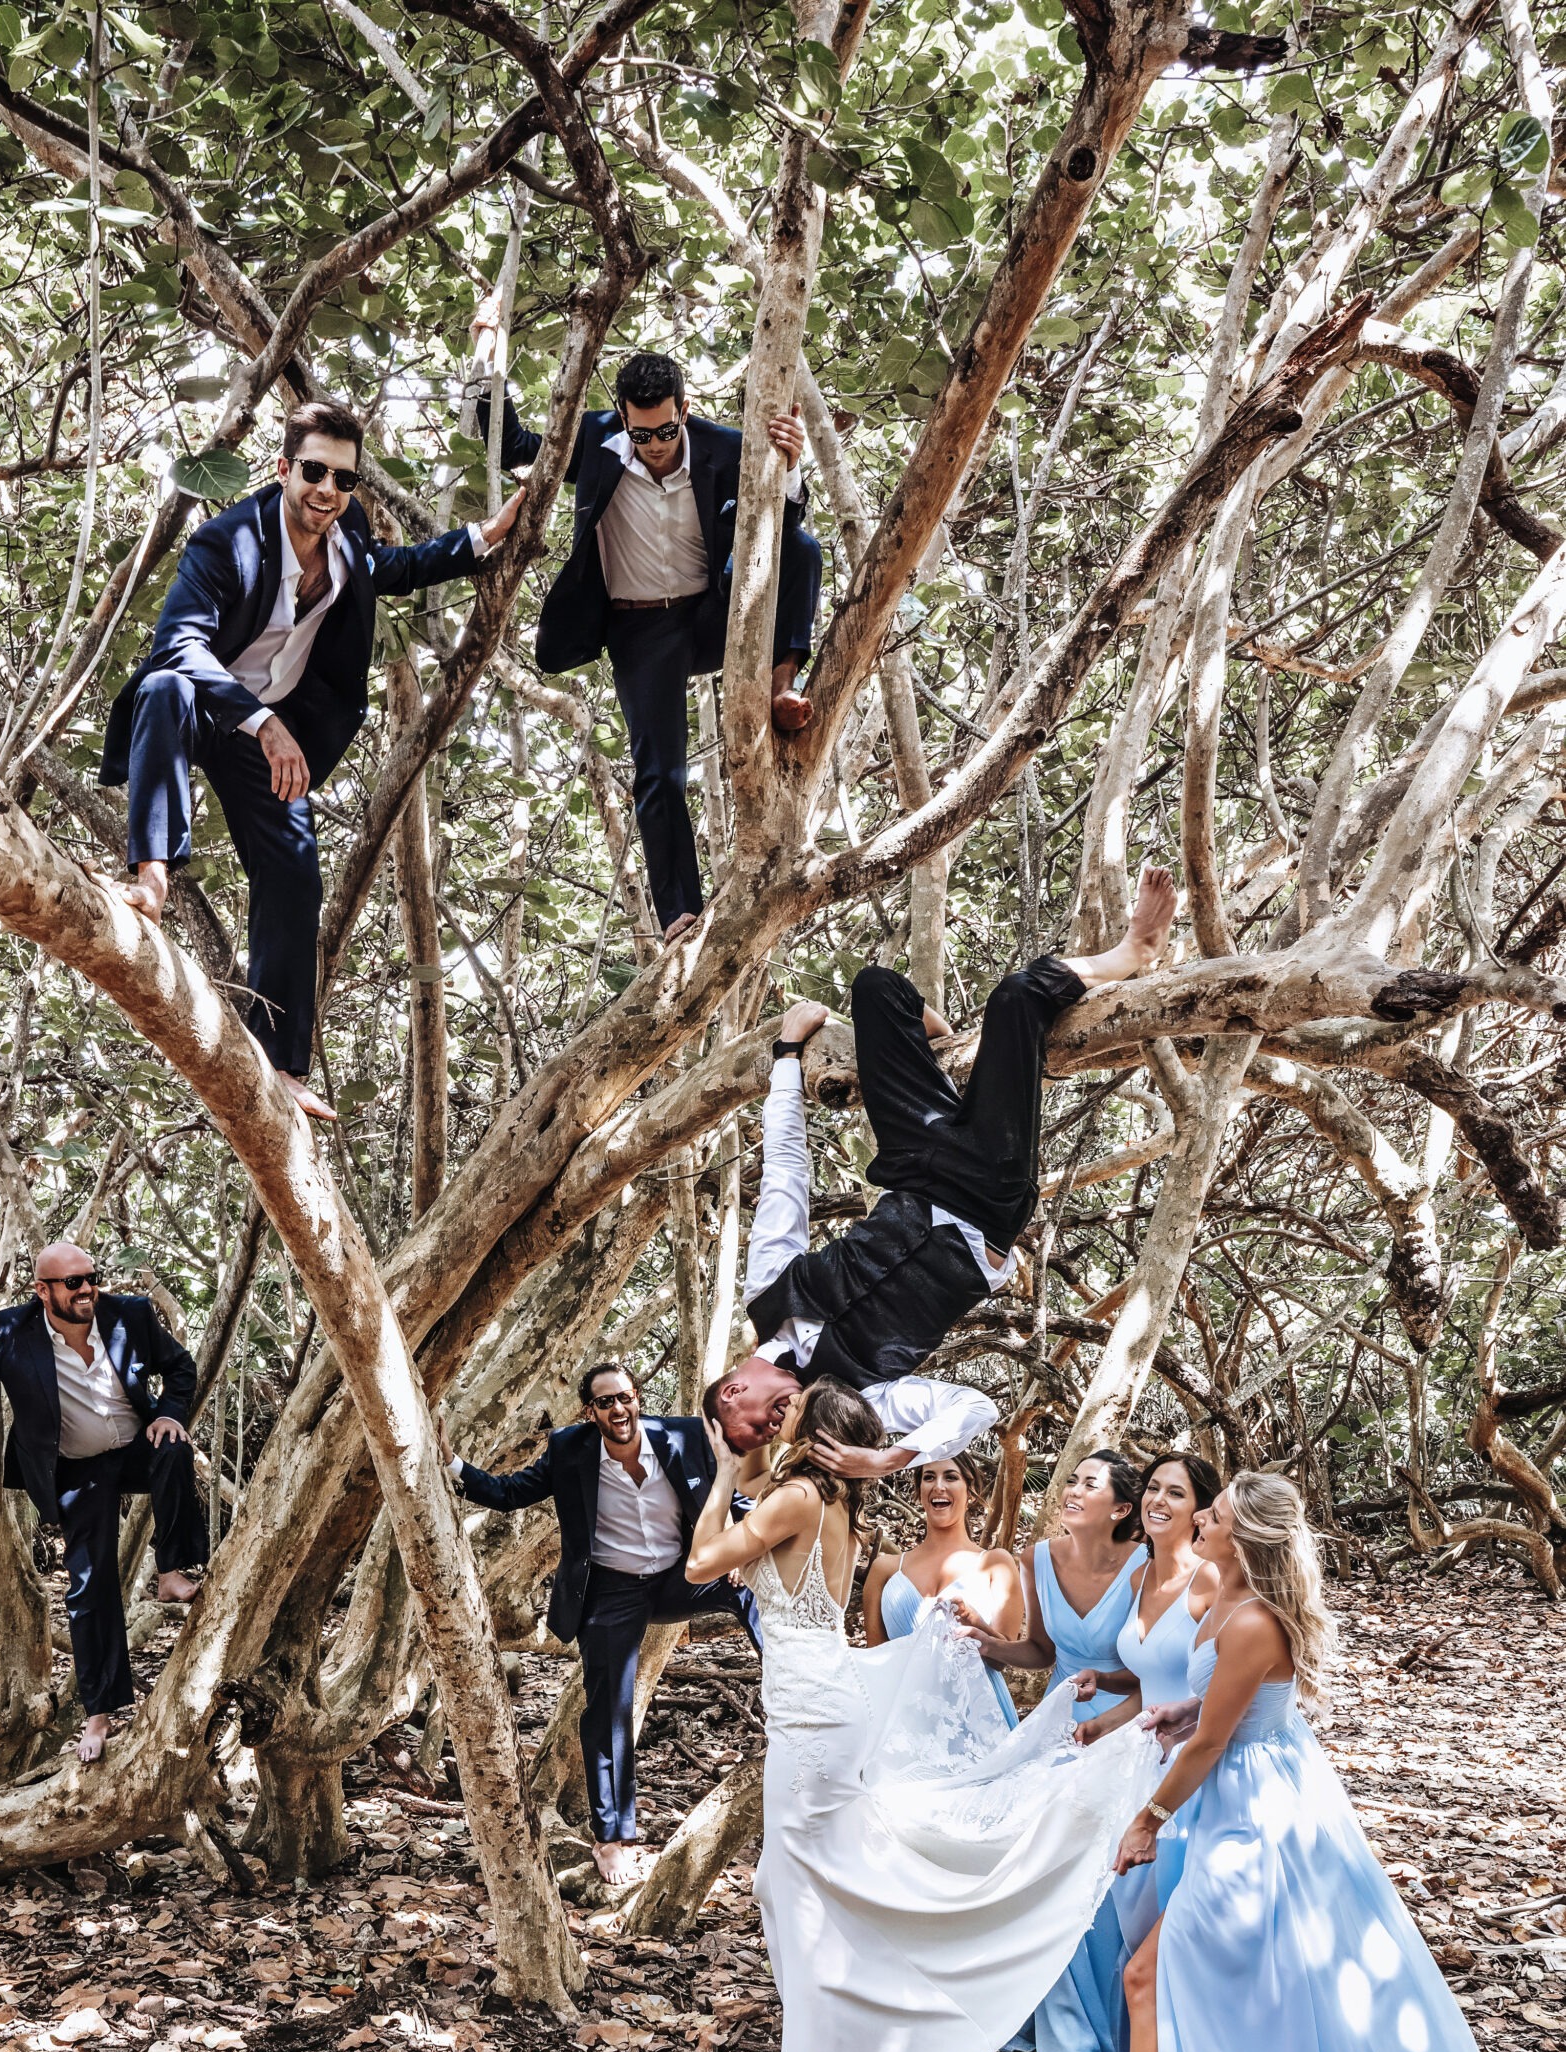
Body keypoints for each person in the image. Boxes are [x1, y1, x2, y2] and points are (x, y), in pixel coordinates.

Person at [688, 1378, 1158, 2052]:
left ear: (822, 1433)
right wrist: (746, 1461)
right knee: (789, 1884)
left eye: (791, 1411)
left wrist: (714, 1471)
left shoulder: (802, 1496)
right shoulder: (814, 1497)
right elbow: (754, 1522)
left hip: (813, 1721)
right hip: (814, 1708)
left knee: (804, 1895)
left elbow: (703, 1563)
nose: (779, 1412)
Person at [1104, 1472, 1528, 2052]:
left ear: (1245, 1537)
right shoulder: (1224, 1602)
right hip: (1233, 1797)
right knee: (1219, 1981)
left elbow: (1212, 1744)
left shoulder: (1253, 1620)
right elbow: (1223, 1712)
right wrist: (1184, 1707)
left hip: (1254, 1821)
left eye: (1216, 1513)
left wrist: (1146, 1820)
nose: (1201, 1516)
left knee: (1154, 1974)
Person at [100, 400, 524, 1121]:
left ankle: (280, 1066)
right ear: (282, 468)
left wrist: (482, 538)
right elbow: (177, 644)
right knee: (165, 685)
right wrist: (262, 721)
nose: (329, 490)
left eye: (344, 479)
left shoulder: (345, 529)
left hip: (275, 735)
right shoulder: (223, 542)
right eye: (315, 472)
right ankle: (151, 879)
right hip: (210, 709)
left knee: (296, 875)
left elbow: (388, 569)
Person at [706, 865, 1179, 1480]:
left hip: (912, 1166)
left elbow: (785, 1180)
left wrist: (787, 1057)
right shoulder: (858, 1397)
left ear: (732, 1393)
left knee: (876, 988)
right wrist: (889, 1457)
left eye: (758, 1428)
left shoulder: (767, 1293)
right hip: (986, 1199)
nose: (776, 1428)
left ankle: (941, 1052)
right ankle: (1132, 952)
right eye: (772, 1437)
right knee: (1016, 999)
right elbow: (972, 1404)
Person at [475, 343, 820, 939]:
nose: (653, 445)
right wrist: (486, 365)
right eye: (640, 433)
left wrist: (788, 470)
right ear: (624, 419)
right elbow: (514, 447)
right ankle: (681, 914)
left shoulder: (726, 446)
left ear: (684, 411)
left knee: (806, 549)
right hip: (640, 629)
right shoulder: (597, 441)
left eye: (664, 430)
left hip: (714, 612)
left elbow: (779, 528)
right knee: (659, 772)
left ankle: (782, 682)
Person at [441, 1358, 759, 1885]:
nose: (619, 1408)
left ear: (639, 1399)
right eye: (606, 1401)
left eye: (626, 1397)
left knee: (755, 1591)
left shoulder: (683, 1436)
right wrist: (452, 1463)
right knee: (608, 1708)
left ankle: (798, 1689)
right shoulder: (570, 1450)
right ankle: (612, 1836)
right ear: (589, 1412)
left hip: (682, 1572)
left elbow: (738, 1499)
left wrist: (748, 1545)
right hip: (612, 1590)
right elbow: (509, 1493)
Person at [0, 1240, 206, 1766]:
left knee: (174, 1444)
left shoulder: (129, 1314)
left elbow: (181, 1369)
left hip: (136, 1449)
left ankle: (172, 1571)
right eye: (73, 1282)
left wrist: (172, 1412)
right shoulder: (13, 1333)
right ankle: (100, 1714)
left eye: (91, 1276)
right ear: (42, 1291)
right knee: (91, 1589)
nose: (87, 1288)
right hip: (78, 1471)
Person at [957, 1450, 1143, 2052]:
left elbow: (1155, 1662)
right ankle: (1050, 2018)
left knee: (1099, 1865)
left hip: (1128, 1725)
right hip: (1062, 1723)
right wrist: (987, 1642)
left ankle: (1105, 2019)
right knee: (1035, 1854)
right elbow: (1039, 1650)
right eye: (1072, 1478)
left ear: (1120, 1509)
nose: (1071, 1489)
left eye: (1089, 1483)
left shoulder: (1145, 1568)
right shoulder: (1038, 1557)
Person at [1072, 1450, 1222, 1942]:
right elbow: (1151, 1685)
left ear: (1201, 1510)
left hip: (1197, 1767)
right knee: (1128, 1911)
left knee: (1174, 1919)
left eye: (1175, 1492)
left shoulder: (1210, 1580)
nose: (1157, 1500)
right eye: (1153, 1487)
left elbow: (1228, 1682)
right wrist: (1101, 1713)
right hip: (1141, 1760)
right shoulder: (1139, 1576)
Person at [863, 1451, 1023, 1728]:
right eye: (928, 1477)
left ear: (970, 1491)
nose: (938, 1486)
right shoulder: (885, 1569)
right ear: (919, 1492)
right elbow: (877, 1664)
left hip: (979, 1720)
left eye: (951, 1477)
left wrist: (974, 1621)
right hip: (907, 1722)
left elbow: (1003, 1661)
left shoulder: (996, 1563)